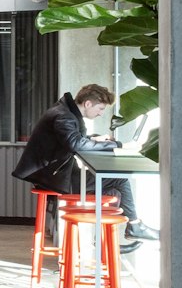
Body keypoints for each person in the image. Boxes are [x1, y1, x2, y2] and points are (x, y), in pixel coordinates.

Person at [14, 84, 154, 245]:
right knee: (118, 180)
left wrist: (94, 139)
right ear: (88, 104)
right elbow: (76, 144)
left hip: (53, 173)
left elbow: (72, 139)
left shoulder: (65, 111)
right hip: (52, 178)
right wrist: (119, 145)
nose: (101, 114)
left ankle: (108, 242)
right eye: (100, 108)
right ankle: (130, 229)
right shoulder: (64, 116)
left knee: (110, 186)